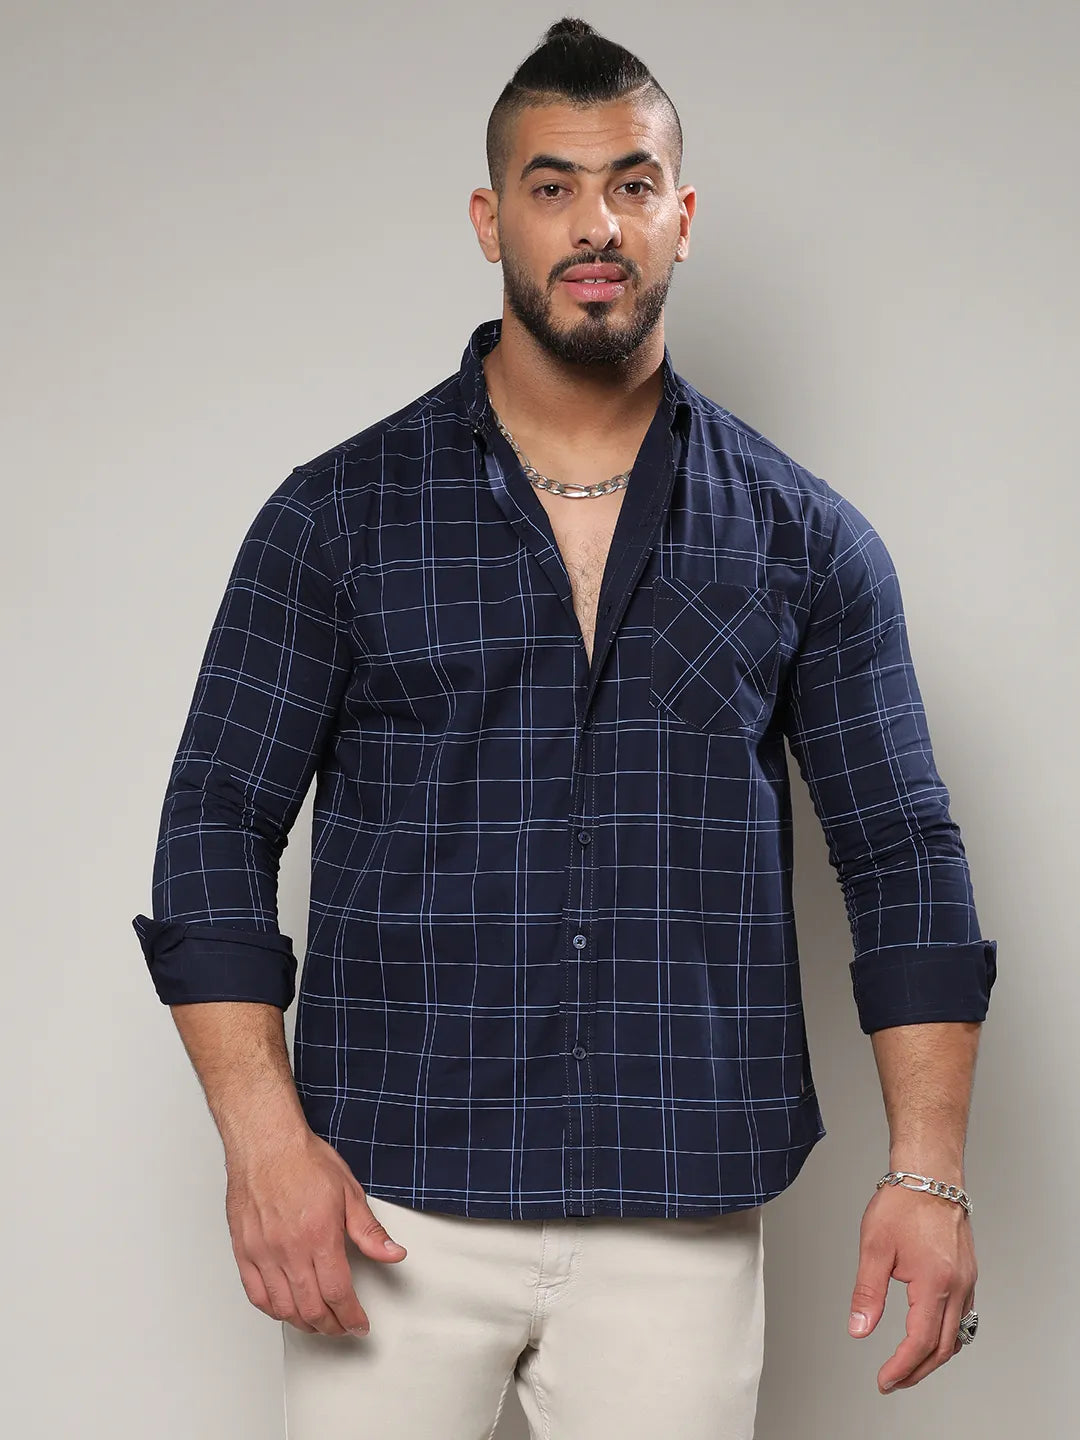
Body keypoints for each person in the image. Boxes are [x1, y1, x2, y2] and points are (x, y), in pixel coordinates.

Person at [131, 17, 996, 1439]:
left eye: (631, 184)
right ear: (491, 220)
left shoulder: (805, 537)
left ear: (681, 216)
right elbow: (216, 823)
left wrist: (930, 1171)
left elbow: (903, 854)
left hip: (682, 1214)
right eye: (553, 186)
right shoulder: (336, 519)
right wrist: (263, 1144)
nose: (596, 225)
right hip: (391, 1201)